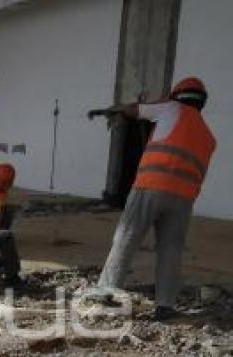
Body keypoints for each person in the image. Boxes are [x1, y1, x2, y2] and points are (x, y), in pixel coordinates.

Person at [92, 77, 216, 321]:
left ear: (177, 95)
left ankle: (105, 292)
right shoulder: (208, 136)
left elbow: (132, 110)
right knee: (171, 250)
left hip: (150, 188)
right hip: (182, 200)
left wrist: (124, 108)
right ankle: (165, 305)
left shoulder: (171, 108)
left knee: (126, 238)